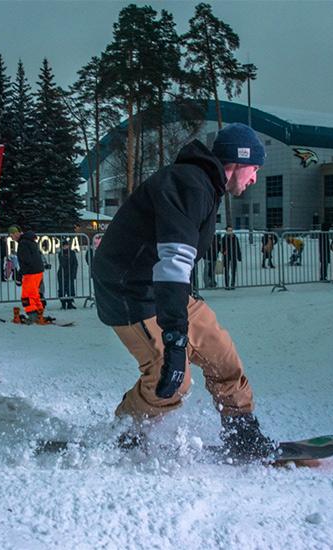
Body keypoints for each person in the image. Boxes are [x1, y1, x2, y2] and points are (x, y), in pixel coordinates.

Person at [92, 122, 277, 461]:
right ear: (237, 160)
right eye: (254, 170)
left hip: (164, 288)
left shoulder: (205, 186)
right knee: (171, 379)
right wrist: (176, 340)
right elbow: (174, 262)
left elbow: (176, 266)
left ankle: (241, 432)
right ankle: (127, 430)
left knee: (221, 354)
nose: (254, 179)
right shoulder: (189, 183)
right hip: (129, 290)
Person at [9, 225, 53, 324]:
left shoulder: (23, 243)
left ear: (16, 233)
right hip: (38, 270)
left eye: (12, 235)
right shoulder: (29, 240)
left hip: (31, 272)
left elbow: (26, 261)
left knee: (27, 295)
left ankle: (33, 315)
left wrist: (20, 274)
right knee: (34, 294)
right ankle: (39, 314)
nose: (12, 238)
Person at [57, 238, 79, 309]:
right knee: (62, 289)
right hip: (62, 274)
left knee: (70, 289)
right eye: (64, 246)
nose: (65, 247)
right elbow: (62, 263)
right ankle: (63, 303)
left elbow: (75, 263)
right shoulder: (61, 253)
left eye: (66, 245)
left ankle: (70, 303)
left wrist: (74, 273)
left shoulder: (72, 253)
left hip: (70, 273)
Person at [220, 225, 242, 290]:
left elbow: (237, 247)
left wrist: (239, 256)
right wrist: (223, 251)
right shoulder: (224, 238)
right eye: (228, 230)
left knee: (233, 271)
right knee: (226, 271)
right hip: (226, 256)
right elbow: (221, 247)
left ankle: (233, 284)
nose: (230, 231)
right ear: (226, 231)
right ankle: (227, 285)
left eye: (231, 230)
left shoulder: (235, 238)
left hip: (234, 256)